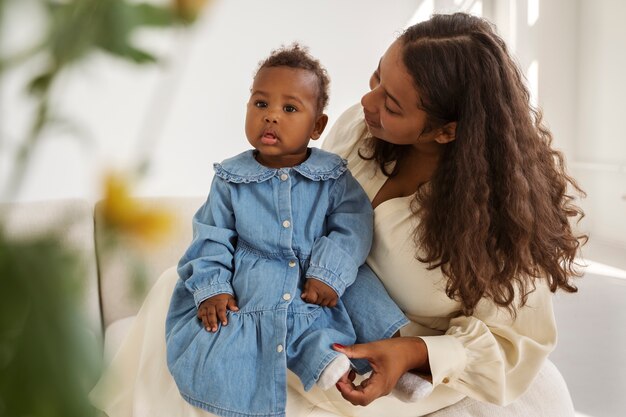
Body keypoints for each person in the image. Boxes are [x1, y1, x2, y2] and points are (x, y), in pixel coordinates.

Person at [90, 12, 584, 417]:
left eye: (391, 103)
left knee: (248, 385)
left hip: (376, 348)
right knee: (179, 299)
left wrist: (412, 353)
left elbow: (514, 342)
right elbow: (304, 205)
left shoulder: (499, 221)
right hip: (299, 293)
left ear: (445, 131)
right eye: (376, 78)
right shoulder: (359, 130)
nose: (366, 102)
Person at [164, 44, 425, 417]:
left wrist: (330, 272)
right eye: (260, 104)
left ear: (317, 126)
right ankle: (329, 364)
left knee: (364, 297)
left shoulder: (332, 175)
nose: (271, 117)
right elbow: (211, 236)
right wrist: (214, 288)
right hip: (260, 268)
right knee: (272, 313)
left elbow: (353, 224)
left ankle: (404, 364)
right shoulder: (230, 179)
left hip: (320, 267)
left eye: (289, 109)